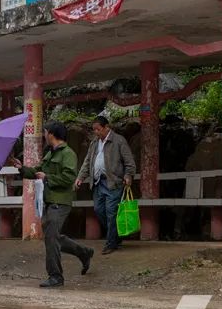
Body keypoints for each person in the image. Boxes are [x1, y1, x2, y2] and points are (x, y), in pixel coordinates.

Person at [10, 122, 94, 288]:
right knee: (52, 236)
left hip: (60, 201)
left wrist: (47, 177)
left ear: (52, 134)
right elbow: (37, 171)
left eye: (45, 132)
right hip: (49, 201)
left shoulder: (68, 154)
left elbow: (69, 178)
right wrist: (21, 168)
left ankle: (56, 276)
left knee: (50, 237)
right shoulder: (50, 153)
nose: (44, 135)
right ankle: (84, 252)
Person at [76, 115, 137, 255]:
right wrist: (80, 177)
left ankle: (110, 244)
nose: (96, 132)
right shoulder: (94, 143)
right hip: (97, 182)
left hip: (113, 182)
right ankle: (115, 237)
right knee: (98, 210)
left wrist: (128, 175)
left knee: (111, 213)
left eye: (98, 129)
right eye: (94, 130)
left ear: (106, 127)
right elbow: (87, 162)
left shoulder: (118, 141)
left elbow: (130, 162)